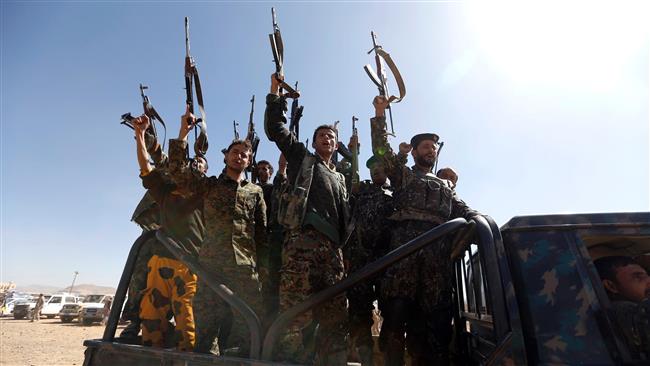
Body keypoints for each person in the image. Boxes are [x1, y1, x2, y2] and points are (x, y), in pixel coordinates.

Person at [370, 95, 479, 365]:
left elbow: (463, 209)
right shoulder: (404, 175)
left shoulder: (445, 187)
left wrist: (478, 219)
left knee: (433, 325)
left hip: (435, 264)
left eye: (433, 148)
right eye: (425, 147)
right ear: (415, 151)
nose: (431, 151)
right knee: (395, 319)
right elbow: (381, 148)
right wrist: (380, 113)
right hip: (404, 258)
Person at [168, 107, 268, 356]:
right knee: (206, 329)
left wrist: (263, 267)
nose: (239, 157)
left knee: (247, 328)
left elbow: (262, 233)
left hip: (246, 269)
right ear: (226, 157)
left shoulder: (255, 192)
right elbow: (178, 174)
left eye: (244, 155)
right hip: (212, 266)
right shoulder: (209, 185)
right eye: (235, 153)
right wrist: (183, 133)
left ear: (249, 161)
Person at [265, 74, 350, 364]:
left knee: (335, 316)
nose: (327, 139)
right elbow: (275, 128)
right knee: (294, 314)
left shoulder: (340, 177)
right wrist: (275, 93)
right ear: (313, 143)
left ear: (337, 146)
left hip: (333, 253)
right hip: (302, 244)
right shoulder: (303, 160)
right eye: (322, 136)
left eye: (331, 137)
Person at [131, 114, 206, 351]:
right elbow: (146, 167)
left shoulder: (206, 194)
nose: (195, 166)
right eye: (192, 162)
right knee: (151, 320)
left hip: (190, 266)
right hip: (160, 262)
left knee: (188, 325)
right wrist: (140, 135)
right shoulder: (165, 191)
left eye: (201, 165)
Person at [346, 154, 394, 365]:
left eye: (380, 166)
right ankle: (365, 357)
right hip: (360, 260)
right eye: (372, 167)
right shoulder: (361, 190)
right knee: (359, 312)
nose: (376, 169)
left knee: (392, 311)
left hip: (388, 259)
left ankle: (387, 354)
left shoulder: (398, 192)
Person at [594, 255, 650, 359]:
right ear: (611, 286)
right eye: (638, 277)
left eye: (647, 275)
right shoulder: (618, 311)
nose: (648, 281)